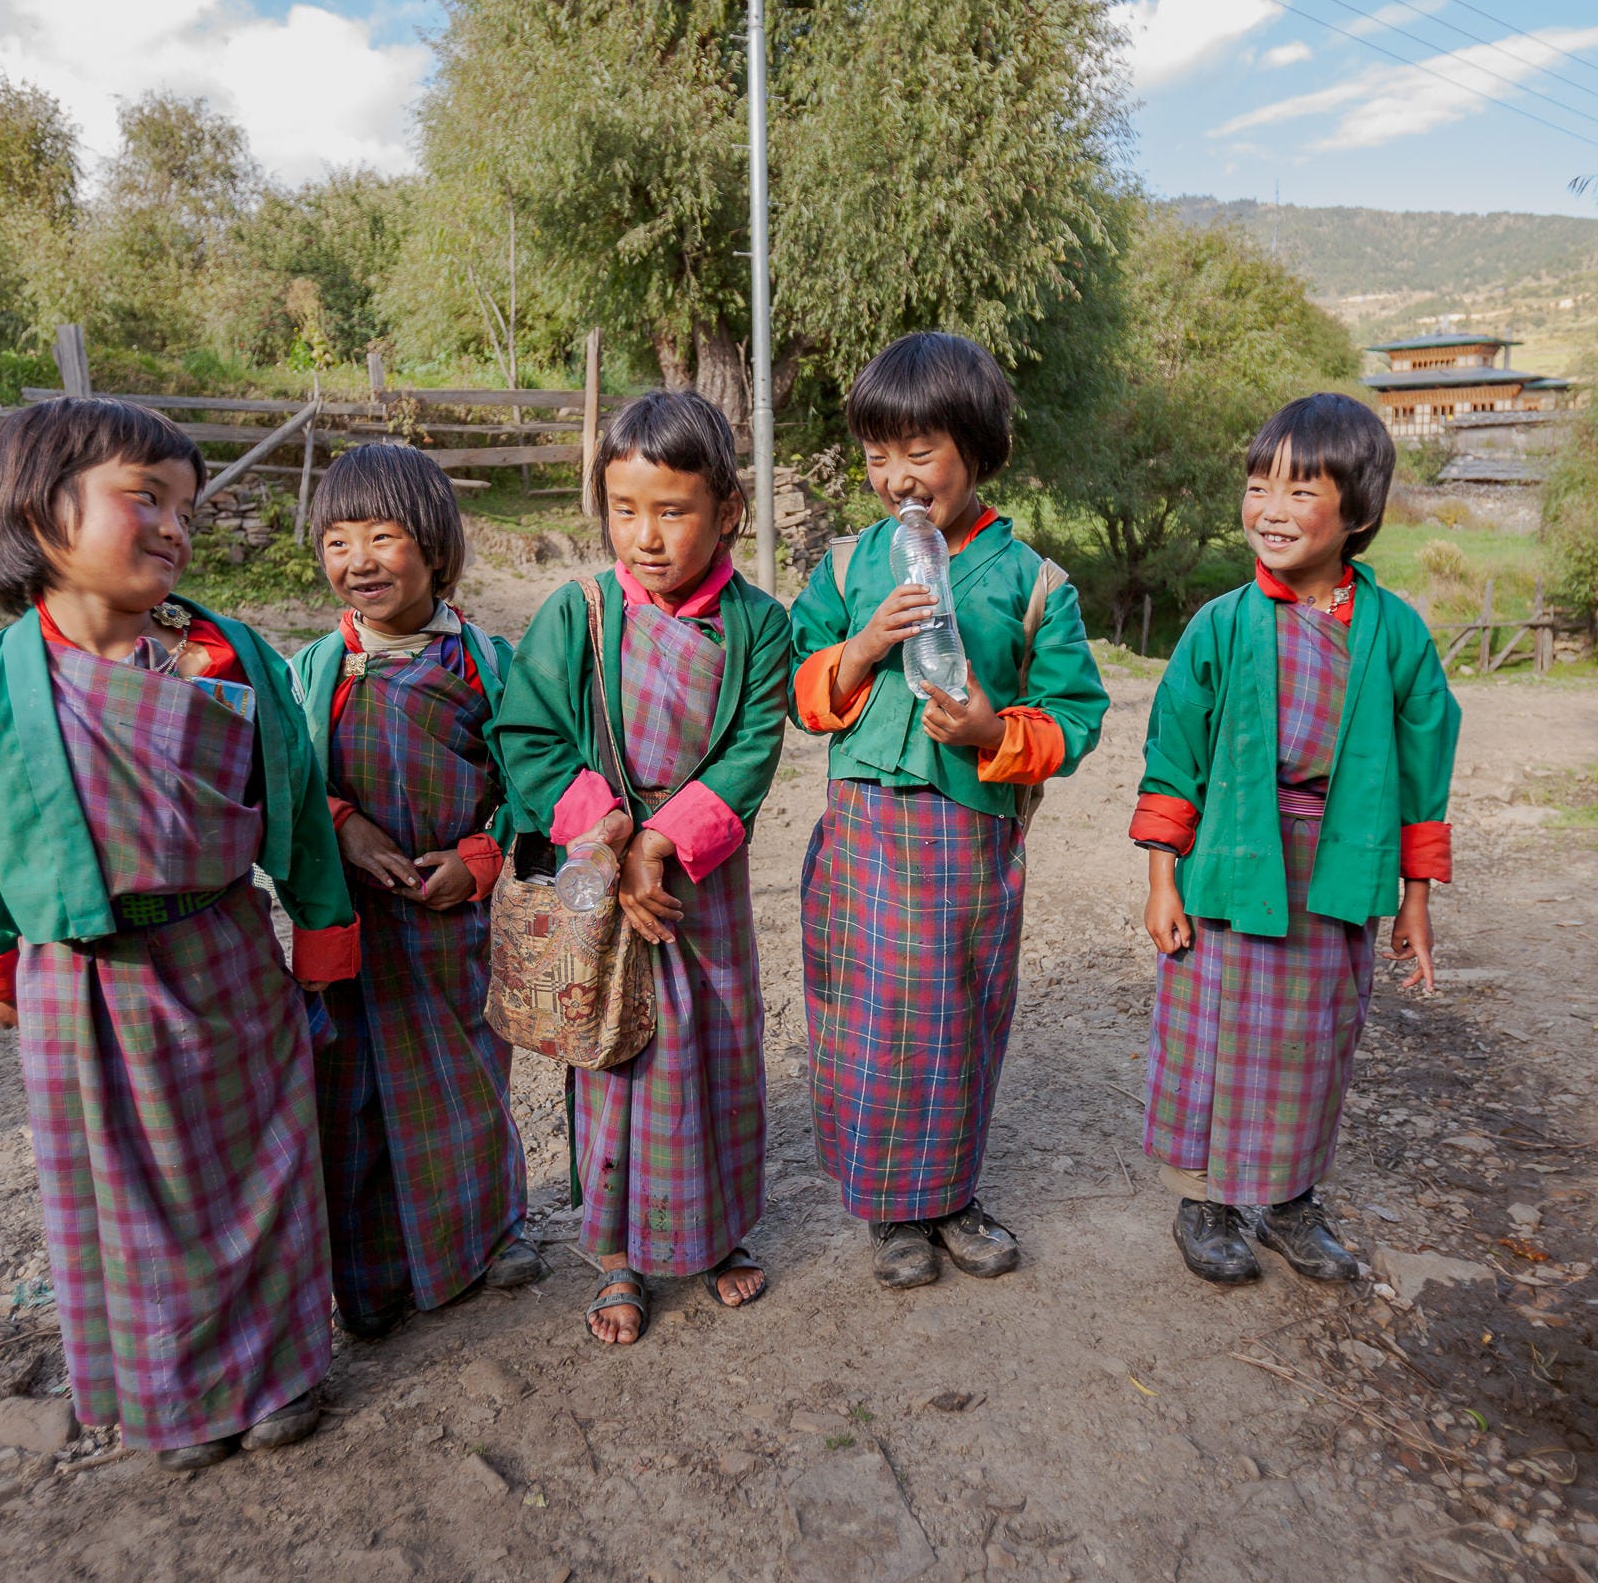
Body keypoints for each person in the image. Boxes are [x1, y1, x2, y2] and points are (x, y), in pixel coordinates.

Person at [0, 397, 358, 1471]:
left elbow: (291, 797)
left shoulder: (225, 657)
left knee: (268, 1164)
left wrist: (323, 926)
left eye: (186, 507)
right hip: (82, 977)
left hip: (226, 951)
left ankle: (284, 1370)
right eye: (143, 498)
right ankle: (179, 1396)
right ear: (39, 516)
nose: (173, 526)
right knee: (129, 1192)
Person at [789, 331, 1109, 1291]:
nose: (897, 478)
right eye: (878, 455)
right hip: (861, 832)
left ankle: (953, 1195)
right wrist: (858, 649)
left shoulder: (1034, 582)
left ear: (977, 448)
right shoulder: (849, 570)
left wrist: (989, 731)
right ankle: (891, 1209)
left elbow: (1074, 717)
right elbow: (802, 693)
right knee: (870, 1019)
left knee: (959, 1015)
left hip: (968, 840)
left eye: (919, 453)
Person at [1130, 392, 1459, 1286]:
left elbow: (1425, 773)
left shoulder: (1394, 638)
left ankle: (1288, 1201)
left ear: (1358, 513)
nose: (1270, 510)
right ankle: (1203, 1205)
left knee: (1312, 1041)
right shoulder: (1222, 626)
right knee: (1209, 1037)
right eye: (1256, 486)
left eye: (1300, 492)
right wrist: (1163, 881)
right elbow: (1173, 763)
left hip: (1336, 869)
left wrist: (1414, 903)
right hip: (1229, 867)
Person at [493, 390, 793, 1344]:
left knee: (714, 1049)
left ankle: (715, 1233)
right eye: (625, 510)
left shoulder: (760, 625)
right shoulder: (574, 614)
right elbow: (528, 735)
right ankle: (618, 1254)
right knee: (610, 1051)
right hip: (597, 866)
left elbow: (751, 747)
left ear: (728, 511)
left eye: (673, 511)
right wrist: (615, 838)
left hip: (702, 871)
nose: (647, 537)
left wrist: (666, 841)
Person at [287, 443, 546, 1341]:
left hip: (451, 925)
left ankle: (486, 1238)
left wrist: (478, 858)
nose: (358, 560)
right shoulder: (311, 672)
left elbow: (531, 783)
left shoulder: (489, 664)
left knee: (466, 1085)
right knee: (348, 1095)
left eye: (383, 536)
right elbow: (282, 783)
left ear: (435, 547)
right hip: (353, 928)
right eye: (336, 542)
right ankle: (370, 1274)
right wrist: (342, 821)